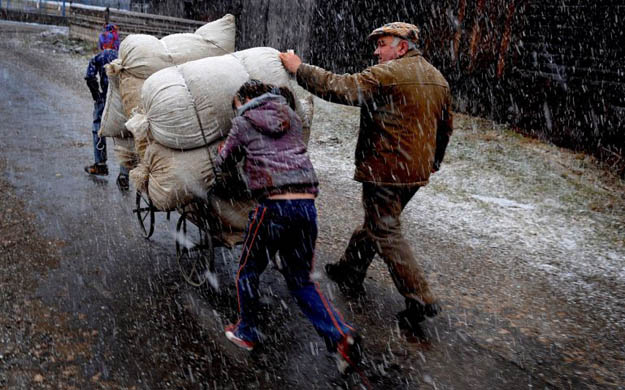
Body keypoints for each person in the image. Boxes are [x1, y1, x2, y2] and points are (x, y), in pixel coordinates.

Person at [279, 22, 454, 332]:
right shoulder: (437, 79)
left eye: (382, 43)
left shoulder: (388, 75)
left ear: (402, 46)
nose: (376, 50)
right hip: (415, 172)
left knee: (386, 230)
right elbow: (445, 127)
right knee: (379, 221)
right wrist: (434, 160)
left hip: (386, 169)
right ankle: (350, 268)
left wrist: (299, 68)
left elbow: (339, 87)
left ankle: (421, 299)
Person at [215, 80, 362, 373]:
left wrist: (224, 151)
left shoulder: (243, 121)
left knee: (247, 270)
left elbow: (224, 161)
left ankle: (246, 332)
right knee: (301, 280)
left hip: (273, 205)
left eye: (237, 103)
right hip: (306, 204)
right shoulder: (291, 117)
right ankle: (339, 334)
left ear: (244, 98)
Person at [84, 34, 129, 191]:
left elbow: (89, 76)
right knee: (123, 134)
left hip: (104, 100)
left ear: (102, 43)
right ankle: (124, 174)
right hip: (121, 101)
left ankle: (100, 164)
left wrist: (97, 96)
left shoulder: (99, 57)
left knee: (98, 129)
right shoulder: (122, 57)